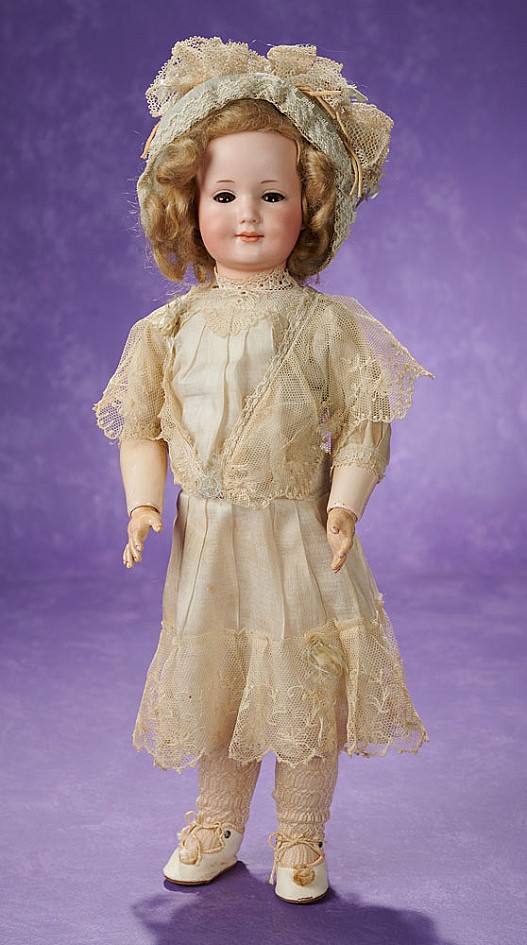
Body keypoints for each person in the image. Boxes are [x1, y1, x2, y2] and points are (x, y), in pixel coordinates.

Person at [94, 37, 432, 904]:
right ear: (186, 203)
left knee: (305, 679)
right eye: (224, 194)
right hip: (208, 540)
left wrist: (344, 505)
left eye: (272, 194)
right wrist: (142, 503)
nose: (247, 214)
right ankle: (216, 818)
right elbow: (141, 426)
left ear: (310, 206)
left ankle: (300, 831)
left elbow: (362, 424)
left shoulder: (327, 326)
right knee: (219, 682)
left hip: (298, 534)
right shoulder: (167, 330)